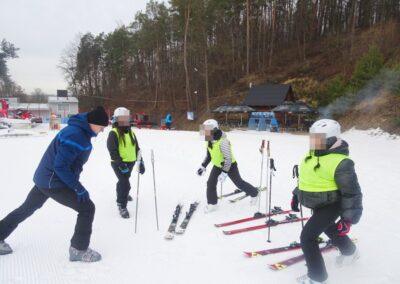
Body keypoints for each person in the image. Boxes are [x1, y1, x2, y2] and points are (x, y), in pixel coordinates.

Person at [0, 106, 109, 262]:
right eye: (102, 127)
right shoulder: (76, 136)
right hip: (53, 181)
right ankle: (78, 249)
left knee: (27, 208)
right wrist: (78, 187)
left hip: (45, 178)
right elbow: (61, 167)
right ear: (93, 123)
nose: (102, 130)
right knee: (87, 207)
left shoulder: (78, 130)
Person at [291, 119, 363, 283]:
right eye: (313, 138)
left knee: (307, 238)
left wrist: (348, 219)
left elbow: (352, 193)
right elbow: (306, 179)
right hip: (319, 202)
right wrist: (296, 195)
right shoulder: (311, 155)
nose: (314, 142)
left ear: (331, 139)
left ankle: (318, 278)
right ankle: (350, 252)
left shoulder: (341, 162)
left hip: (332, 204)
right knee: (330, 229)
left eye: (319, 139)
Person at [197, 119, 259, 213]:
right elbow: (209, 155)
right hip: (218, 165)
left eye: (207, 130)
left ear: (214, 130)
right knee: (210, 183)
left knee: (239, 183)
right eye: (204, 130)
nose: (205, 133)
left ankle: (255, 193)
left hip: (230, 166)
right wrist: (203, 166)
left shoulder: (223, 142)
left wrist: (224, 172)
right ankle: (212, 204)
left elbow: (228, 159)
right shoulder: (209, 141)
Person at [107, 107, 145, 219]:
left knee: (124, 181)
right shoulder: (113, 133)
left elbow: (137, 148)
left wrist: (141, 162)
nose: (125, 121)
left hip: (131, 162)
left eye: (126, 118)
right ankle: (121, 205)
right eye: (122, 118)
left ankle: (123, 193)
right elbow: (112, 151)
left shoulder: (131, 133)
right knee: (125, 183)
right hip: (118, 163)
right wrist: (120, 164)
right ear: (116, 119)